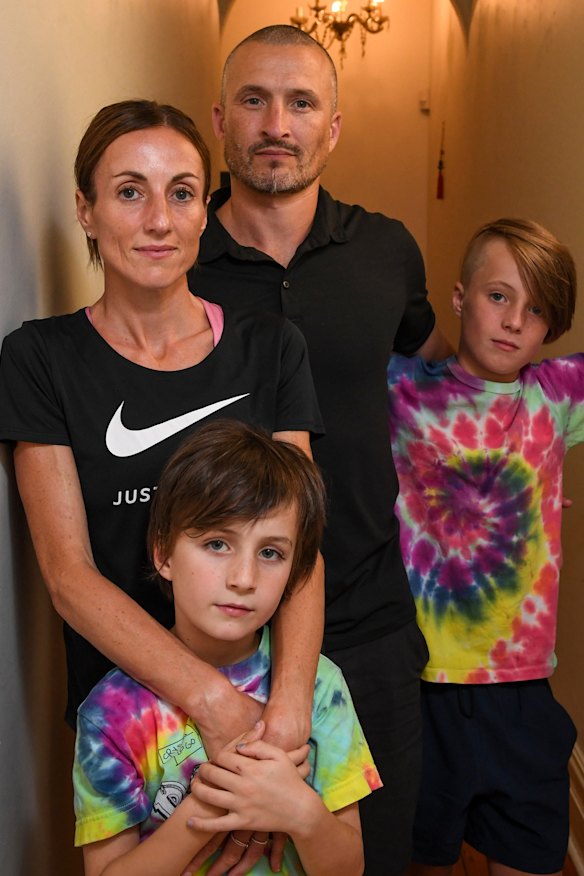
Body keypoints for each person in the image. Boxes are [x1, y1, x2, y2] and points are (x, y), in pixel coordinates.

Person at [0, 99, 327, 870]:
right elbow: (68, 575)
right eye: (128, 192)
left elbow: (301, 541)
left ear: (203, 213)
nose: (158, 220)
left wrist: (286, 709)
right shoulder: (41, 359)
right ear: (85, 210)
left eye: (181, 193)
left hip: (264, 705)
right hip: (128, 725)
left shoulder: (270, 349)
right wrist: (212, 704)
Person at [187, 24, 452, 875]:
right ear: (220, 119)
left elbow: (435, 362)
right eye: (255, 101)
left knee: (376, 857)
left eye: (301, 103)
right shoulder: (177, 259)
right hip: (217, 636)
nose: (277, 124)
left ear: (332, 129)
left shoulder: (388, 251)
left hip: (369, 619)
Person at [73, 420, 381, 876]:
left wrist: (300, 811)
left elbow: (349, 868)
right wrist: (211, 803)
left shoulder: (321, 687)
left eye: (270, 553)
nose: (243, 578)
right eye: (217, 544)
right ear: (163, 553)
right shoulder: (110, 714)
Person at [387, 218, 582, 876]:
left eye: (537, 309)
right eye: (499, 296)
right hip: (423, 686)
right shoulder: (402, 388)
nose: (514, 321)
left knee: (531, 853)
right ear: (460, 296)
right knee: (421, 857)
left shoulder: (556, 393)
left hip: (523, 691)